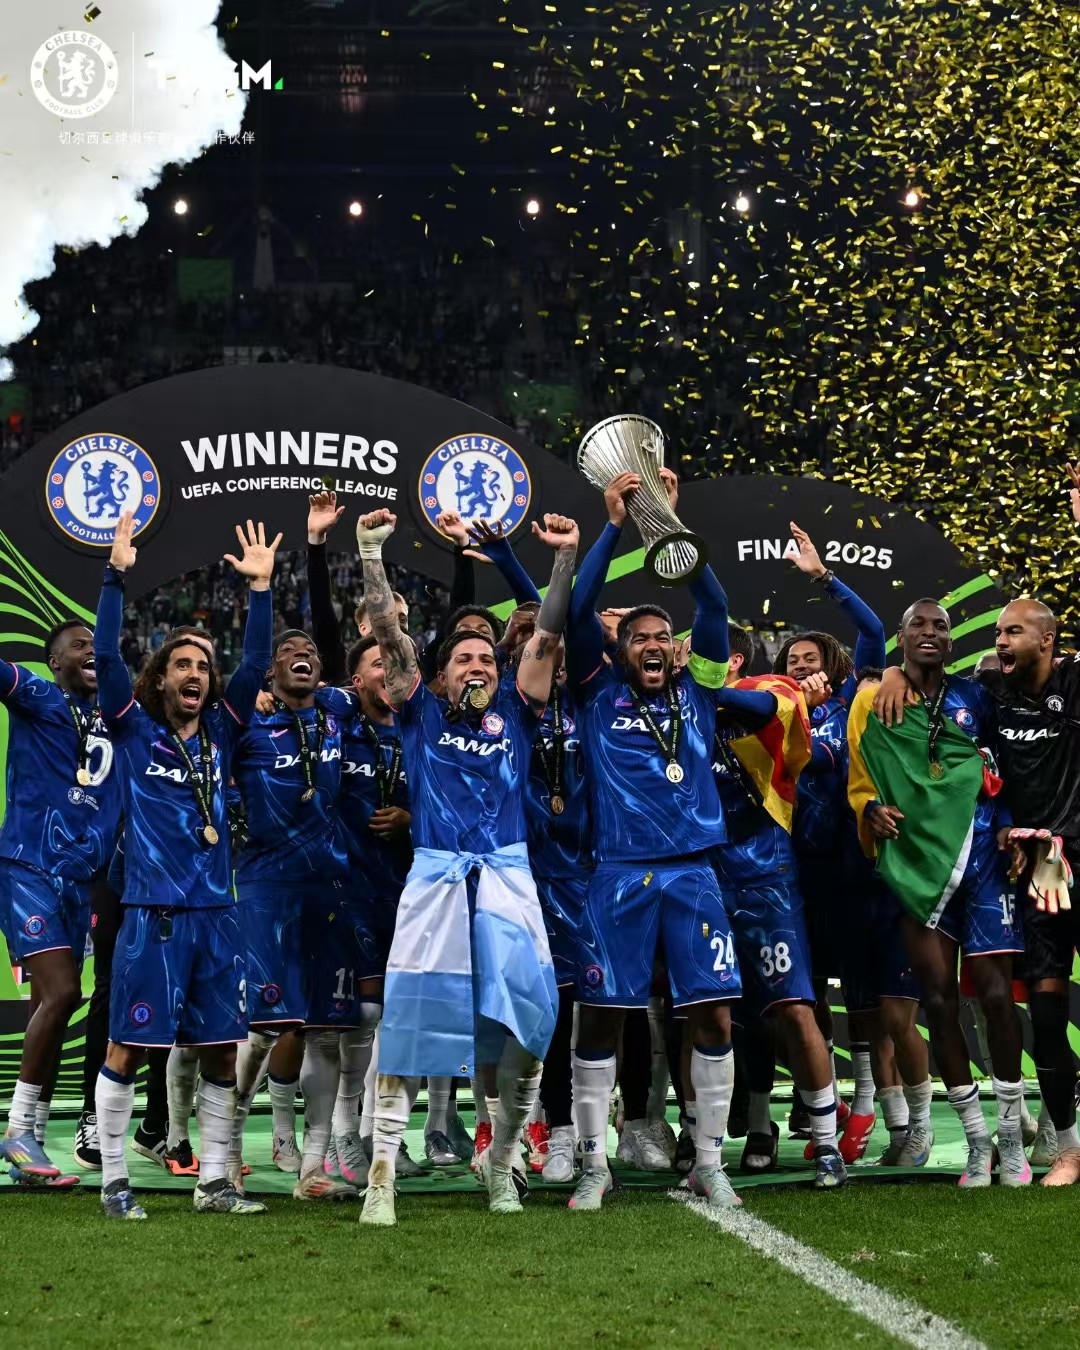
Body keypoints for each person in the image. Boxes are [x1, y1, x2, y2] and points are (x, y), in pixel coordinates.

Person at [354, 505, 573, 1227]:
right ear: (440, 676)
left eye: (485, 657)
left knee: (529, 1031)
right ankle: (382, 1176)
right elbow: (387, 632)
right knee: (409, 1027)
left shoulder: (519, 710)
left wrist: (564, 559)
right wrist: (371, 555)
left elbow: (549, 632)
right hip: (436, 880)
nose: (476, 664)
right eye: (462, 659)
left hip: (507, 879)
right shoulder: (418, 712)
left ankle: (501, 1164)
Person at [562, 471, 744, 1213]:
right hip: (619, 873)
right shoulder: (595, 694)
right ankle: (592, 1164)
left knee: (714, 1014)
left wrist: (665, 521)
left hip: (694, 873)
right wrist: (613, 525)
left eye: (663, 636)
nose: (654, 645)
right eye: (638, 637)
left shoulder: (700, 690)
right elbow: (577, 610)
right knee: (603, 1015)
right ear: (619, 650)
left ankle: (708, 1163)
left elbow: (715, 605)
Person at [91, 511, 279, 1219]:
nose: (195, 674)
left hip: (216, 917)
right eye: (182, 665)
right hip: (153, 915)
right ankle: (114, 1183)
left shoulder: (222, 736)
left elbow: (254, 666)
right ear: (161, 679)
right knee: (127, 1047)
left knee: (222, 1052)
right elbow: (107, 659)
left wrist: (260, 592)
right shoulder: (135, 731)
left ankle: (216, 1183)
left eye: (203, 666)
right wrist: (115, 577)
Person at [848, 598, 1028, 1188]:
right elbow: (862, 778)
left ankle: (1011, 1138)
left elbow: (1005, 769)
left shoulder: (980, 697)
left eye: (941, 626)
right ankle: (977, 1142)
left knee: (997, 997)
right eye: (918, 625)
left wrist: (1010, 825)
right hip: (917, 865)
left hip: (983, 860)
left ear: (952, 642)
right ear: (900, 638)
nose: (930, 632)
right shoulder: (875, 702)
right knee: (938, 1002)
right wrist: (869, 809)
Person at [710, 623, 848, 1189]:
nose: (685, 657)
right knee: (709, 1013)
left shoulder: (774, 689)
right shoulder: (676, 708)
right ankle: (721, 1138)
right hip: (703, 874)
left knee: (793, 1007)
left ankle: (827, 1144)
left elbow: (770, 709)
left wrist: (702, 689)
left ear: (733, 659)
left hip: (767, 874)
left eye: (698, 650)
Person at [229, 626, 357, 1202]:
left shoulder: (337, 709)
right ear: (270, 672)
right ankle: (225, 1152)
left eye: (310, 652)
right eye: (288, 651)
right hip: (266, 887)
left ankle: (312, 1169)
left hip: (328, 887)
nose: (302, 655)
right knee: (262, 1028)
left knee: (324, 1031)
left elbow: (384, 682)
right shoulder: (247, 722)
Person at [774, 521, 888, 1164]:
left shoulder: (852, 703)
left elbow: (873, 630)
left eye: (809, 659)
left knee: (862, 992)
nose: (800, 667)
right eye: (791, 662)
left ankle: (867, 1101)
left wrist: (824, 579)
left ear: (834, 666)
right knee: (807, 990)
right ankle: (822, 1098)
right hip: (794, 871)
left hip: (850, 866)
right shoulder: (775, 717)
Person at [0, 619, 121, 1185]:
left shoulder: (115, 718)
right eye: (78, 645)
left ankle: (35, 1145)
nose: (90, 650)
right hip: (29, 864)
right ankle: (17, 1131)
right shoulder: (37, 694)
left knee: (50, 1006)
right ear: (54, 662)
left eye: (96, 643)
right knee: (65, 990)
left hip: (79, 879)